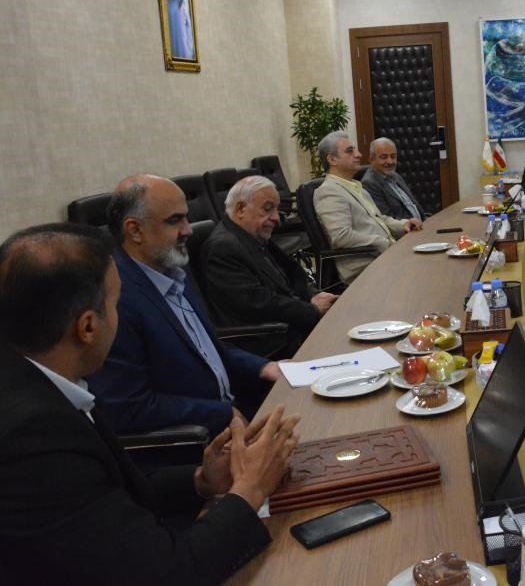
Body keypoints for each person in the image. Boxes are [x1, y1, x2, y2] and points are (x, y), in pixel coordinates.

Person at [0, 222, 300, 585]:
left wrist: (201, 481)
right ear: (88, 327)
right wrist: (250, 489)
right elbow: (170, 573)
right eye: (116, 304)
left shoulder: (41, 379)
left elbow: (104, 498)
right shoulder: (34, 436)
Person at [88, 175, 281, 439]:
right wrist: (222, 414)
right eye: (174, 220)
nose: (188, 230)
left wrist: (263, 367)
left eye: (186, 218)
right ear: (134, 230)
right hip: (199, 440)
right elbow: (129, 407)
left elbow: (206, 350)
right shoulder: (116, 298)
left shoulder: (173, 269)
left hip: (236, 408)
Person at [201, 175, 337, 360]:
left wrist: (313, 295)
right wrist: (311, 310)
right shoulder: (223, 248)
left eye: (276, 209)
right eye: (267, 209)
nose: (276, 218)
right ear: (241, 209)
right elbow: (258, 304)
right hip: (272, 342)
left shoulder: (251, 234)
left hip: (290, 325)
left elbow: (292, 275)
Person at [314, 131, 423, 283]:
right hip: (366, 266)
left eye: (356, 150)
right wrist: (381, 242)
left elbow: (379, 218)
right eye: (350, 151)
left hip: (384, 257)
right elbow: (341, 236)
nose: (359, 155)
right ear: (332, 159)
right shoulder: (329, 191)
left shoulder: (355, 186)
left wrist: (403, 224)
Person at [361, 137, 427, 221]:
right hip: (406, 228)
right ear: (372, 160)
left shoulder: (395, 175)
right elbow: (387, 220)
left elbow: (413, 204)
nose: (390, 161)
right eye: (384, 157)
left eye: (393, 156)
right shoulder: (369, 184)